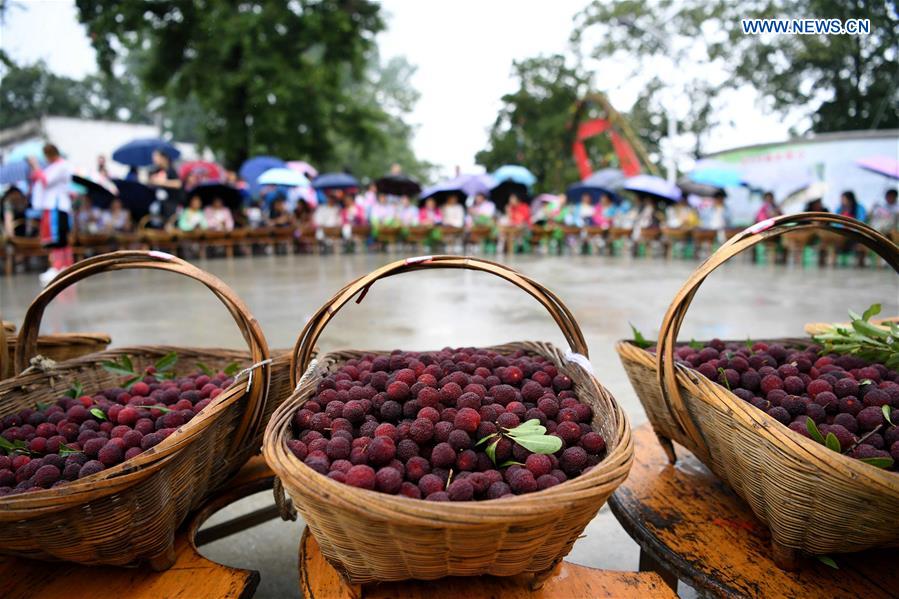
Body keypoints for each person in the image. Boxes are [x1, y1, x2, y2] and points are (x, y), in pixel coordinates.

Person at [28, 143, 74, 285]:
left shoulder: (61, 165)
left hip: (56, 205)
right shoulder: (53, 167)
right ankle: (63, 266)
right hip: (53, 205)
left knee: (58, 238)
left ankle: (59, 267)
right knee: (59, 238)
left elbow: (46, 181)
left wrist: (35, 166)